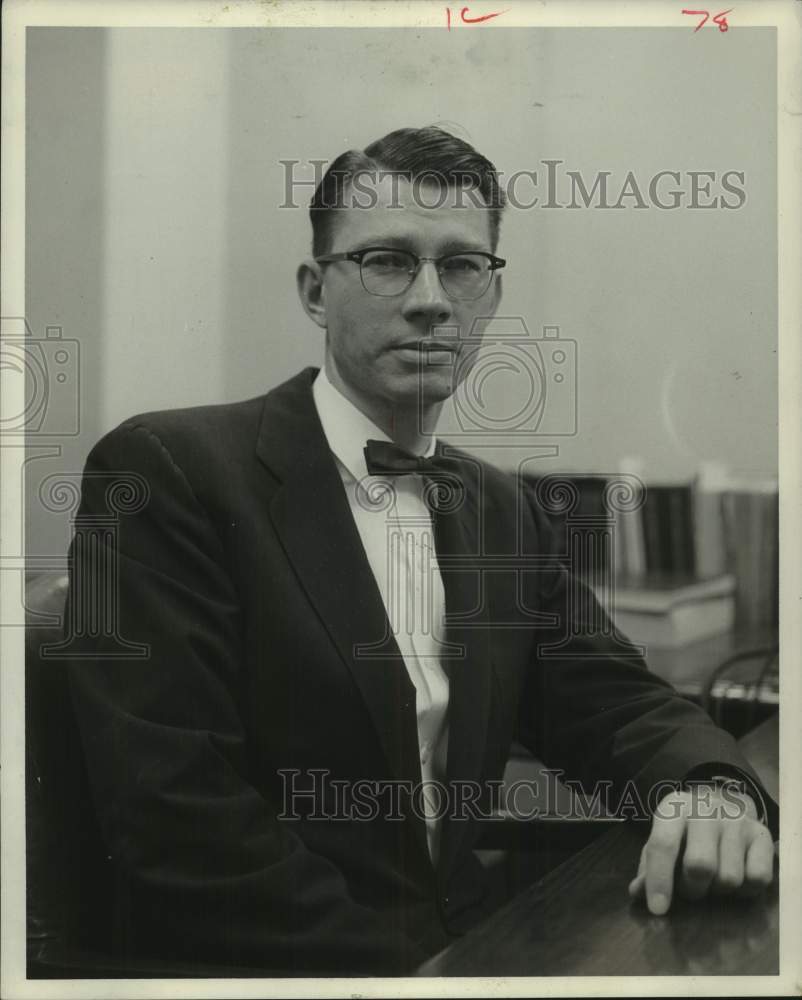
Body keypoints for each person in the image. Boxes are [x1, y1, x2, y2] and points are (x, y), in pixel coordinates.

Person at [64, 126, 777, 976]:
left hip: (461, 945)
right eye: (389, 261)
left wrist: (713, 787)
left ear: (489, 292)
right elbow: (175, 817)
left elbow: (613, 703)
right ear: (314, 291)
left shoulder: (504, 508)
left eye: (462, 265)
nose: (432, 299)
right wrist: (428, 974)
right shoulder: (170, 473)